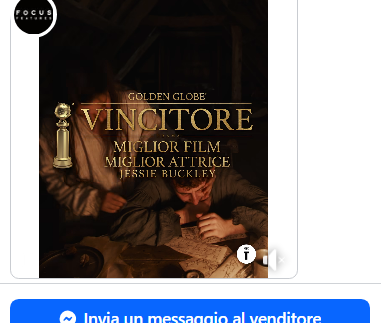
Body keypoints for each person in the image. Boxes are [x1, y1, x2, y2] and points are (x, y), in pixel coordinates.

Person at [39, 57, 151, 240]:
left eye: (104, 104)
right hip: (83, 225)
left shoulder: (131, 104)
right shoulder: (52, 128)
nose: (102, 117)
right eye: (89, 114)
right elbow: (55, 181)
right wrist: (94, 199)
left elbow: (163, 141)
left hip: (133, 216)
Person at [110, 167, 269, 246]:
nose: (195, 201)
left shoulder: (226, 178)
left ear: (212, 172)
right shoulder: (156, 183)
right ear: (170, 179)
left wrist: (231, 227)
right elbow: (120, 227)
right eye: (184, 193)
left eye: (201, 189)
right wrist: (184, 216)